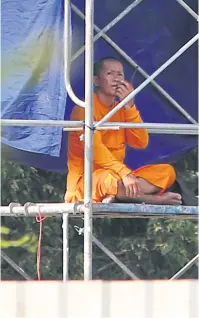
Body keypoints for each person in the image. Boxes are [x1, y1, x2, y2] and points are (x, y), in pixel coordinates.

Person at [64, 57, 182, 205]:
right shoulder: (83, 109)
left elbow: (140, 142)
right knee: (107, 178)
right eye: (110, 74)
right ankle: (151, 199)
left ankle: (120, 194)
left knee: (166, 171)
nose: (116, 79)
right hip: (86, 183)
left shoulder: (120, 109)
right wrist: (125, 174)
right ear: (96, 81)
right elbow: (95, 150)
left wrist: (129, 107)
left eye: (120, 74)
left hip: (119, 178)